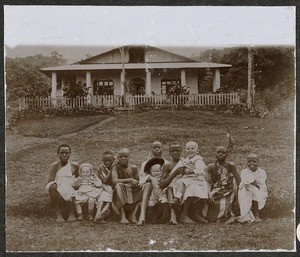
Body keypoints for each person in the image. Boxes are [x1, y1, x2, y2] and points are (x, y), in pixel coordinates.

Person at [111, 148, 152, 225]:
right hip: (121, 190)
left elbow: (137, 182)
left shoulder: (133, 168)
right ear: (118, 158)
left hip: (132, 191)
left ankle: (135, 215)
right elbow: (114, 181)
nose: (123, 158)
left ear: (129, 157)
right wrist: (129, 179)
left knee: (148, 186)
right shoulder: (115, 167)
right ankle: (122, 216)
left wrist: (144, 181)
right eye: (121, 156)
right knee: (118, 185)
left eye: (126, 156)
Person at [172, 141, 208, 223]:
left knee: (194, 189)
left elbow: (200, 170)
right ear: (185, 150)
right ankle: (177, 198)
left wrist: (190, 170)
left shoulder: (198, 160)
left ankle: (193, 214)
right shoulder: (185, 160)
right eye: (188, 149)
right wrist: (179, 171)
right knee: (181, 182)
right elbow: (177, 169)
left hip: (197, 179)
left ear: (197, 151)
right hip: (187, 179)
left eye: (193, 148)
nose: (190, 150)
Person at [202, 146, 240, 223]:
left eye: (223, 152)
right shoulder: (211, 166)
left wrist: (238, 194)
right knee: (210, 200)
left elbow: (238, 180)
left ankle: (230, 216)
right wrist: (209, 192)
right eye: (218, 152)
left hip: (228, 189)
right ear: (215, 154)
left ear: (226, 155)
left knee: (225, 201)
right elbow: (208, 181)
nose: (220, 154)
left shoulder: (231, 165)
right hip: (215, 189)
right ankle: (214, 217)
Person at [45, 144, 79, 222]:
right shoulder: (55, 166)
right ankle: (59, 214)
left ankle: (71, 213)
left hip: (70, 186)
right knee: (52, 187)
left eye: (67, 153)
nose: (64, 155)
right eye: (61, 153)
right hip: (57, 186)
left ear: (70, 154)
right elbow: (50, 181)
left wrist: (77, 183)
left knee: (68, 188)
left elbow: (78, 178)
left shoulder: (74, 166)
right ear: (58, 154)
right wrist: (60, 186)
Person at [159, 142, 188, 224]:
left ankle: (182, 215)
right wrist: (174, 174)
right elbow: (161, 184)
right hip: (172, 186)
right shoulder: (167, 165)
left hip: (183, 186)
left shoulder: (186, 163)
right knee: (169, 188)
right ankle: (173, 215)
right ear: (169, 153)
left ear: (181, 151)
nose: (175, 153)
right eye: (173, 151)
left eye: (177, 150)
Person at [236, 153, 268, 223]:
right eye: (249, 161)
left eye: (254, 161)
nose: (252, 163)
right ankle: (246, 216)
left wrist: (252, 183)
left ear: (258, 162)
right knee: (245, 192)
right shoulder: (244, 172)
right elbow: (245, 182)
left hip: (259, 189)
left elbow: (258, 183)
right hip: (246, 189)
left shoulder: (262, 172)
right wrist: (250, 183)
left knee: (255, 191)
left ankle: (256, 215)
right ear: (246, 162)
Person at [139, 157, 169, 224]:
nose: (156, 173)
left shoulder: (162, 177)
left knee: (164, 202)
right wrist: (146, 180)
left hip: (161, 194)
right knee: (150, 204)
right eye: (154, 171)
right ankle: (151, 218)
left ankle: (163, 218)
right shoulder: (149, 176)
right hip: (152, 195)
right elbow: (141, 181)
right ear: (149, 171)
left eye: (158, 171)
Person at [94, 151, 114, 223]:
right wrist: (112, 170)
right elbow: (104, 180)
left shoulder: (116, 167)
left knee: (109, 199)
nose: (107, 162)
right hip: (103, 187)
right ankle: (98, 214)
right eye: (105, 160)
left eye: (109, 160)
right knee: (102, 197)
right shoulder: (100, 168)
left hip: (112, 188)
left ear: (113, 159)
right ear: (102, 160)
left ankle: (100, 215)